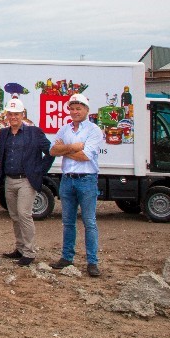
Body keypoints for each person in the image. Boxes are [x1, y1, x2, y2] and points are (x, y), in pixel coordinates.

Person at [0, 97, 54, 266]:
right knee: (14, 215)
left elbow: (50, 152)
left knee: (24, 214)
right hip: (9, 180)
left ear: (23, 115)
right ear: (7, 115)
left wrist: (39, 170)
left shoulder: (34, 132)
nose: (13, 117)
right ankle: (20, 248)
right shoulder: (4, 133)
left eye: (17, 114)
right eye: (11, 114)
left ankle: (29, 251)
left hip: (26, 180)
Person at [49, 93, 103, 277]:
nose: (74, 112)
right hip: (67, 179)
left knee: (89, 222)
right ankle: (67, 257)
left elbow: (85, 156)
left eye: (78, 108)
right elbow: (52, 150)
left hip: (87, 179)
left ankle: (92, 262)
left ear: (86, 110)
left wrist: (64, 150)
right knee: (68, 222)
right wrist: (74, 147)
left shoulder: (94, 130)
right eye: (72, 109)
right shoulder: (65, 129)